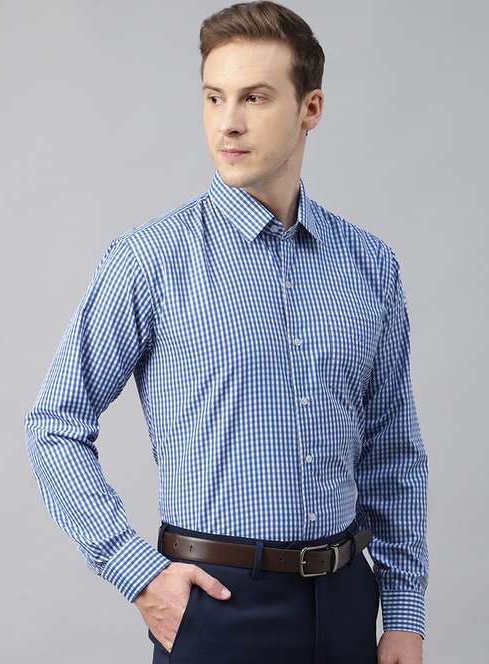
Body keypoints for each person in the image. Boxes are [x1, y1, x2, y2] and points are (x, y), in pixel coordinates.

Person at [24, 2, 429, 662]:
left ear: (311, 108)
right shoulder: (150, 260)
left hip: (347, 606)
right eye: (214, 98)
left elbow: (393, 450)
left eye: (255, 98)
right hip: (217, 609)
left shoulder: (370, 266)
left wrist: (405, 612)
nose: (228, 122)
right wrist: (138, 573)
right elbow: (53, 425)